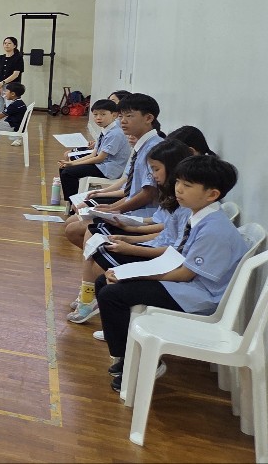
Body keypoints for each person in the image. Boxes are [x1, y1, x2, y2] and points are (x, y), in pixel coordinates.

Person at [97, 155, 246, 392]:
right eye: (178, 181)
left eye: (187, 185)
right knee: (103, 281)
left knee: (112, 294)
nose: (178, 189)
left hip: (200, 296)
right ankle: (126, 354)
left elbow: (185, 274)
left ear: (212, 194)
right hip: (188, 285)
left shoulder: (214, 229)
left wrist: (134, 275)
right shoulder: (199, 216)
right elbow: (179, 260)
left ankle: (140, 363)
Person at [67, 139, 193, 324]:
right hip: (154, 244)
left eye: (156, 169)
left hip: (161, 258)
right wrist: (129, 232)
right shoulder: (177, 198)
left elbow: (175, 252)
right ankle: (89, 296)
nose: (153, 175)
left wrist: (131, 245)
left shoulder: (189, 208)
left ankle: (93, 300)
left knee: (100, 256)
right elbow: (166, 230)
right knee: (93, 233)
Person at [62, 94, 165, 247]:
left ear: (149, 118)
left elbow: (148, 194)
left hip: (145, 212)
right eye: (121, 116)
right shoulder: (142, 145)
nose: (122, 121)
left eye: (129, 116)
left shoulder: (154, 149)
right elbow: (132, 191)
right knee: (72, 223)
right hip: (131, 205)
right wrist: (111, 208)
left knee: (76, 229)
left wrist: (114, 209)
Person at [57, 99, 130, 198]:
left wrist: (73, 164)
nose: (98, 118)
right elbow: (93, 154)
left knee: (68, 173)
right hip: (102, 165)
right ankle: (72, 200)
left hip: (109, 169)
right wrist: (71, 163)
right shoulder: (105, 130)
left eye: (103, 114)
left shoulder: (115, 134)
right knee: (64, 168)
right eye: (95, 115)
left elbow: (99, 158)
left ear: (114, 115)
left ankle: (73, 202)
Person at [0, 37, 23, 115]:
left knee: (11, 108)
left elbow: (15, 74)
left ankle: (11, 122)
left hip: (11, 87)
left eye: (9, 43)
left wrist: (2, 83)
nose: (6, 45)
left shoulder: (18, 58)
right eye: (5, 43)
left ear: (14, 46)